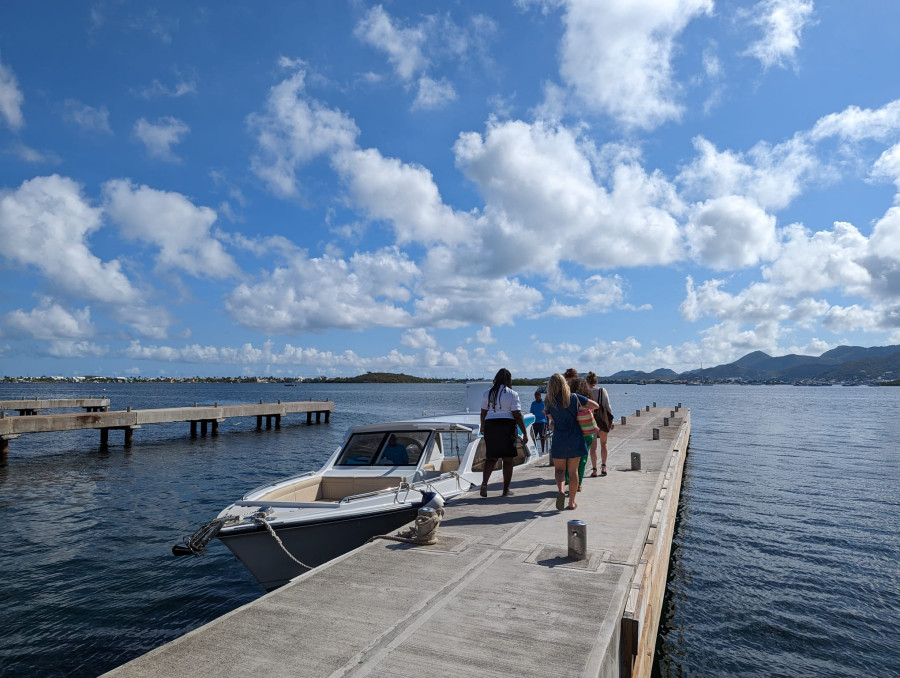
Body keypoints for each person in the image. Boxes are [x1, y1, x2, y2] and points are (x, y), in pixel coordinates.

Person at [543, 373, 598, 510]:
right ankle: (572, 502)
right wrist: (581, 409)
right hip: (575, 437)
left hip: (559, 438)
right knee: (573, 471)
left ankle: (561, 491)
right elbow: (595, 405)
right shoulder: (574, 397)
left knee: (560, 470)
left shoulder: (549, 401)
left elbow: (551, 419)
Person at [480, 368, 528, 497]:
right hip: (506, 425)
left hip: (490, 424)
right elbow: (517, 414)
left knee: (491, 457)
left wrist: (482, 426)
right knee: (508, 459)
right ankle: (506, 490)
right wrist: (524, 432)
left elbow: (483, 412)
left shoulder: (487, 393)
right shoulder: (512, 394)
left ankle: (484, 483)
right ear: (509, 380)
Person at [567, 378, 597, 492]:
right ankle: (578, 484)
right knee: (583, 459)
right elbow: (595, 408)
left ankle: (569, 480)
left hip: (573, 432)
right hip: (587, 431)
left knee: (569, 458)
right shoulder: (587, 399)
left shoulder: (570, 398)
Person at [585, 371, 614, 477]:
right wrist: (611, 421)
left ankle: (594, 470)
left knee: (593, 447)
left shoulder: (586, 392)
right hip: (602, 420)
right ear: (596, 381)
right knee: (604, 444)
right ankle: (604, 467)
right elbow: (608, 407)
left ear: (587, 382)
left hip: (590, 420)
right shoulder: (602, 391)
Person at [529, 390, 549, 455]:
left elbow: (547, 413)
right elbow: (531, 413)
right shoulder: (533, 403)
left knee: (542, 436)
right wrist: (531, 422)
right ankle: (534, 450)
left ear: (540, 396)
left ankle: (543, 451)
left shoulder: (544, 403)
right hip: (535, 422)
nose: (537, 398)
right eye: (535, 397)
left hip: (542, 422)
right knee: (533, 437)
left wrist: (547, 423)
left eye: (538, 396)